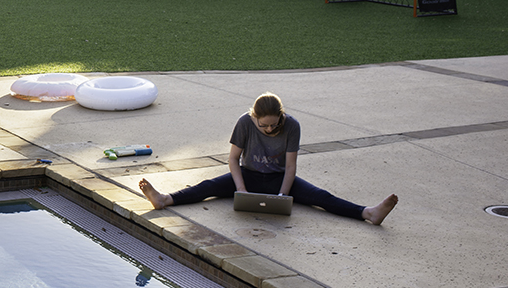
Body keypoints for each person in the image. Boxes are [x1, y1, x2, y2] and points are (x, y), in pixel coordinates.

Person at [139, 92, 398, 224]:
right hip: (248, 176)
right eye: (264, 126)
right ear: (254, 118)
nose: (270, 130)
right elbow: (233, 160)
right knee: (208, 187)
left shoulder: (292, 125)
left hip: (278, 179)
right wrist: (240, 189)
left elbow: (291, 166)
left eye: (275, 125)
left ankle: (368, 213)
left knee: (321, 197)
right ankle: (164, 199)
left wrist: (283, 196)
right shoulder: (244, 122)